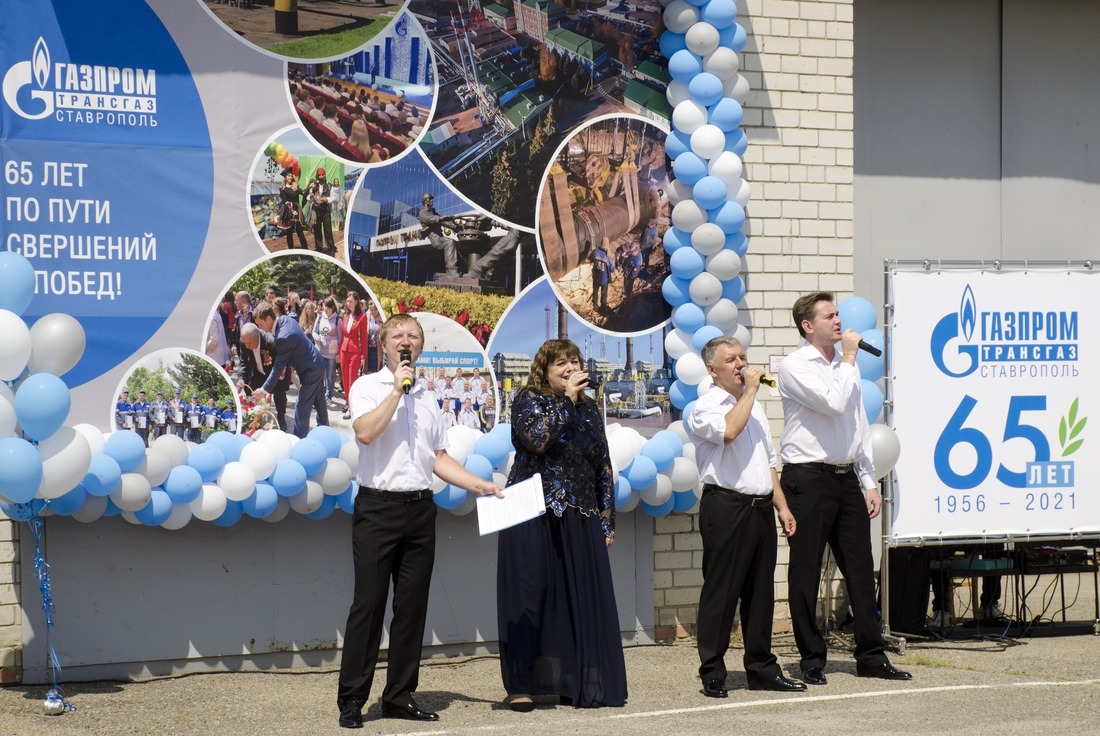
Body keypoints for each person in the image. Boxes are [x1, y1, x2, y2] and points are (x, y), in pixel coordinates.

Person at [336, 313, 501, 728]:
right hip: (377, 508)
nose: (405, 340)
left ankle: (399, 695)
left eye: (412, 336)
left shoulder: (430, 397)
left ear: (420, 346)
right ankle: (353, 699)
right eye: (397, 335)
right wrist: (396, 390)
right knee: (369, 606)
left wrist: (478, 485)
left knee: (411, 607)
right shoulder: (367, 387)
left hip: (420, 508)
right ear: (384, 344)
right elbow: (366, 433)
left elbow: (438, 458)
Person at [777, 292, 912, 684]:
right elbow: (834, 403)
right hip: (807, 479)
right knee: (805, 570)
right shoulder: (794, 366)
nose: (838, 321)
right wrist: (850, 359)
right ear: (808, 325)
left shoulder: (843, 366)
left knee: (858, 568)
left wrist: (868, 480)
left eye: (837, 314)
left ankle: (870, 654)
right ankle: (812, 658)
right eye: (829, 316)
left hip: (845, 476)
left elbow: (857, 425)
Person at [496, 338, 628, 712]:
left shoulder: (589, 410)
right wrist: (567, 400)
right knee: (528, 597)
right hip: (531, 511)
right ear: (546, 371)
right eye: (561, 364)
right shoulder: (528, 399)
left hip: (579, 513)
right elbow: (537, 440)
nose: (570, 368)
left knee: (578, 597)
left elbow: (602, 466)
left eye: (574, 362)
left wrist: (607, 522)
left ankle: (578, 682)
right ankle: (521, 685)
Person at [686, 336, 804, 697]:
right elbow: (728, 431)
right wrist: (749, 392)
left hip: (760, 508)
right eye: (731, 359)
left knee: (760, 593)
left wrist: (782, 506)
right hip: (726, 507)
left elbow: (768, 463)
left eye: (743, 357)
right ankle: (713, 671)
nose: (741, 364)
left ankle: (761, 668)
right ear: (712, 369)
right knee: (722, 592)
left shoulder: (752, 407)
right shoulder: (704, 407)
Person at [251, 301, 329, 438]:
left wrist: (263, 390)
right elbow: (292, 350)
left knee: (301, 405)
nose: (260, 328)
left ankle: (299, 440)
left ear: (268, 319)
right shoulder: (284, 320)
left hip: (311, 369)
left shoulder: (283, 336)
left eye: (260, 324)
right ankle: (327, 433)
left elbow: (277, 367)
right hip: (316, 363)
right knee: (319, 402)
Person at [339, 291, 371, 420]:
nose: (348, 303)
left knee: (352, 380)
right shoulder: (345, 316)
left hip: (354, 352)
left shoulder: (362, 317)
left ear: (356, 301)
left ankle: (352, 407)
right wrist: (338, 352)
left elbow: (364, 338)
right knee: (345, 379)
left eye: (350, 301)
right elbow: (343, 335)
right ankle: (347, 402)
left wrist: (363, 356)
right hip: (343, 350)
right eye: (347, 301)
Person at [418, 192, 459, 277]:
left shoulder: (433, 212)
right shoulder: (422, 212)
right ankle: (451, 271)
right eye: (430, 199)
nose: (432, 200)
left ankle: (453, 269)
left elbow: (443, 222)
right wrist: (443, 218)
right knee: (450, 242)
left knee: (452, 243)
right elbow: (431, 219)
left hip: (440, 237)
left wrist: (455, 226)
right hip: (435, 239)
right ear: (425, 201)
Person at [312, 296, 342, 407]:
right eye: (325, 306)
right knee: (320, 375)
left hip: (332, 354)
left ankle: (328, 396)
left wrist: (338, 354)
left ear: (332, 308)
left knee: (330, 376)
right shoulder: (320, 317)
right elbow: (314, 332)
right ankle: (319, 397)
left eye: (328, 307)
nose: (326, 309)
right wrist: (316, 337)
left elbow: (340, 338)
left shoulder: (338, 320)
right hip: (320, 351)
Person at [308, 168, 336, 255]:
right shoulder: (314, 186)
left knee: (328, 230)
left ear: (325, 175)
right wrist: (311, 194)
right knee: (317, 230)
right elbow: (309, 198)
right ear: (317, 175)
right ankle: (319, 247)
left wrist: (326, 199)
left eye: (322, 174)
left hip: (326, 210)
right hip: (316, 210)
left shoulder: (329, 186)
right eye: (319, 175)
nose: (321, 176)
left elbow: (334, 197)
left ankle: (331, 247)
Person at [590, 238, 615, 311]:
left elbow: (591, 258)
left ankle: (595, 305)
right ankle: (603, 306)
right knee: (604, 293)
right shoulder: (609, 256)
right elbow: (612, 269)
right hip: (605, 279)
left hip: (596, 276)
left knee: (595, 291)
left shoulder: (595, 252)